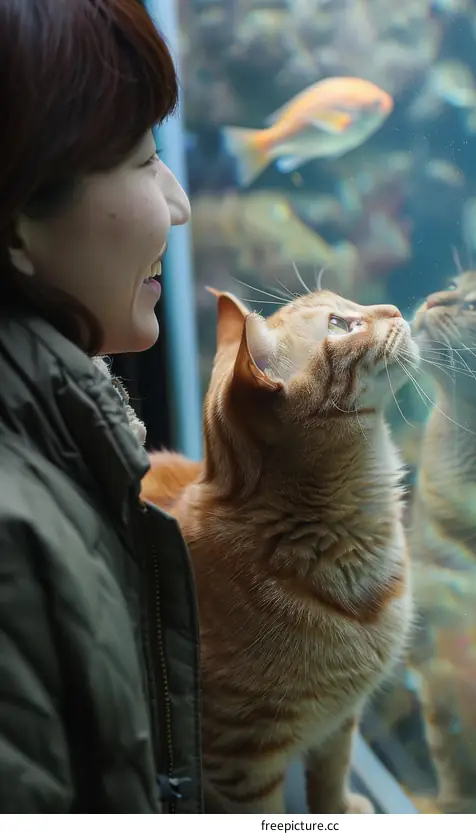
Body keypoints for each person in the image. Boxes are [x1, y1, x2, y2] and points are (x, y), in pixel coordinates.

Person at [0, 0, 203, 813]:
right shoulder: (16, 541)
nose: (181, 206)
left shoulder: (57, 449)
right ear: (17, 219)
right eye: (147, 160)